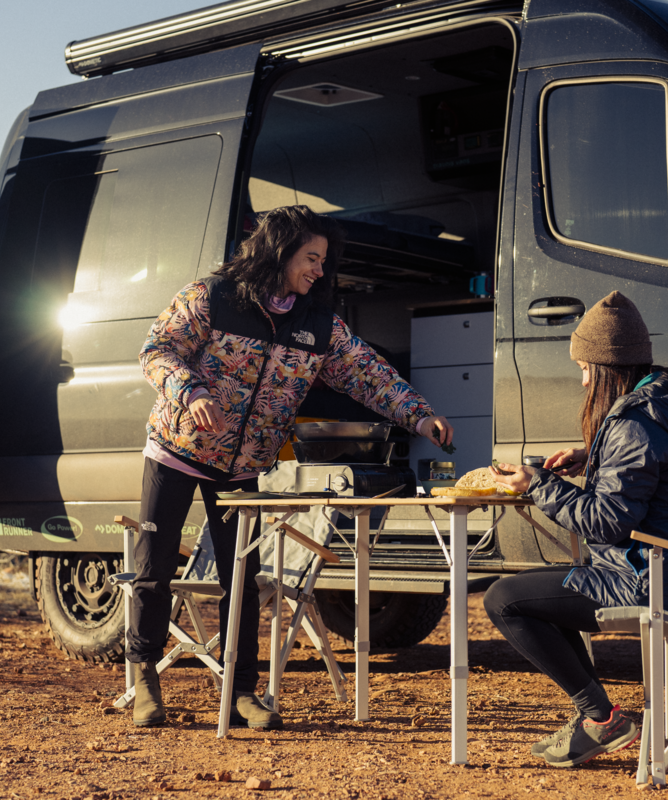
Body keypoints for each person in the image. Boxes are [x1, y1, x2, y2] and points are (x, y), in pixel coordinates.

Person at [131, 205, 454, 730]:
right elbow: (157, 350)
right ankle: (144, 678)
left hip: (243, 468)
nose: (319, 270)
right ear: (279, 250)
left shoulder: (317, 323)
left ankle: (240, 691)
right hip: (176, 451)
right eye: (311, 257)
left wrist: (419, 416)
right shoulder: (210, 298)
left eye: (324, 260)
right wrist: (189, 393)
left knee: (242, 578)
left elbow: (367, 374)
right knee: (154, 567)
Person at [487, 291, 668, 767]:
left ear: (605, 366)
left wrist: (538, 484)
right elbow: (659, 477)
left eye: (584, 368)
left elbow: (606, 521)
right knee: (543, 590)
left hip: (649, 586)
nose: (582, 381)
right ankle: (596, 718)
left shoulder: (634, 423)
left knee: (504, 599)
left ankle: (600, 718)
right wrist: (591, 459)